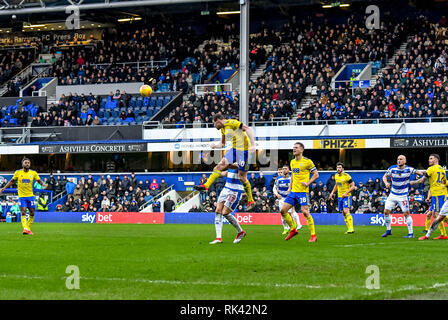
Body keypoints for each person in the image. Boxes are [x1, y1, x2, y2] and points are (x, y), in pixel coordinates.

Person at [194, 114, 256, 211]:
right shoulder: (223, 129)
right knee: (218, 166)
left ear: (218, 120)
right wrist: (215, 146)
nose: (214, 126)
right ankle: (206, 186)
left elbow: (248, 129)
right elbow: (222, 144)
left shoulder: (231, 122)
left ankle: (251, 200)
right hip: (234, 149)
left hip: (244, 151)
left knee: (242, 177)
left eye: (214, 124)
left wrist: (253, 145)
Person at [281, 142, 319, 242]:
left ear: (301, 150)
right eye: (293, 147)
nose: (294, 149)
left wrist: (308, 183)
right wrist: (290, 188)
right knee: (283, 211)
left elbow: (316, 174)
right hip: (293, 191)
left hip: (303, 191)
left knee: (305, 212)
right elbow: (293, 175)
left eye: (296, 148)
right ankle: (293, 230)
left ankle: (313, 235)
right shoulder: (292, 162)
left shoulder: (307, 161)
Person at [381, 155, 425, 238]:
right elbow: (384, 176)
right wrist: (386, 182)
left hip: (403, 196)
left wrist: (425, 173)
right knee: (386, 212)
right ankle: (388, 230)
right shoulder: (392, 168)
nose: (399, 160)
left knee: (406, 214)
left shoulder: (409, 169)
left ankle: (411, 233)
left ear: (405, 161)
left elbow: (420, 172)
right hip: (392, 194)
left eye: (401, 159)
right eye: (398, 159)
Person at [0, 158, 47, 235]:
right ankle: (25, 228)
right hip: (22, 196)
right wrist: (4, 187)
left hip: (30, 196)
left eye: (28, 162)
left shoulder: (33, 173)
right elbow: (12, 181)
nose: (27, 164)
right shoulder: (18, 173)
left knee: (32, 213)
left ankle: (28, 228)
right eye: (25, 162)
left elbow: (38, 180)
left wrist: (43, 184)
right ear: (22, 164)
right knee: (23, 212)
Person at [209, 164, 247, 244]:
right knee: (218, 211)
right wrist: (216, 170)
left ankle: (240, 232)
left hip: (235, 191)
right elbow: (222, 173)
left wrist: (224, 164)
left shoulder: (241, 162)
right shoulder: (229, 167)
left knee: (225, 213)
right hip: (226, 189)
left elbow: (237, 167)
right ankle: (218, 238)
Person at [415, 154, 448, 240]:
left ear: (436, 160)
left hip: (438, 194)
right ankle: (443, 234)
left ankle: (441, 234)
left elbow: (422, 180)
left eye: (431, 158)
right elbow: (444, 182)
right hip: (441, 193)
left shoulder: (431, 169)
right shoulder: (442, 169)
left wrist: (412, 182)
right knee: (434, 214)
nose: (429, 160)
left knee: (439, 215)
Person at [273, 166, 302, 235]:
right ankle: (286, 228)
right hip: (281, 199)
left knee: (288, 213)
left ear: (288, 170)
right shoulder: (278, 179)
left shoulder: (291, 178)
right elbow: (274, 188)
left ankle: (292, 226)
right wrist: (277, 194)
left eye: (286, 169)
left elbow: (296, 187)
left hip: (289, 198)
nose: (284, 170)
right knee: (282, 214)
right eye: (283, 169)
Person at [329, 162, 356, 234]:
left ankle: (351, 228)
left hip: (346, 196)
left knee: (346, 210)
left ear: (343, 169)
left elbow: (353, 186)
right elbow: (337, 185)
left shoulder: (347, 176)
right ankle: (349, 228)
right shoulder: (336, 176)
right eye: (337, 167)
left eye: (340, 167)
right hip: (339, 197)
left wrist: (346, 193)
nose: (338, 169)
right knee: (343, 212)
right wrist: (332, 193)